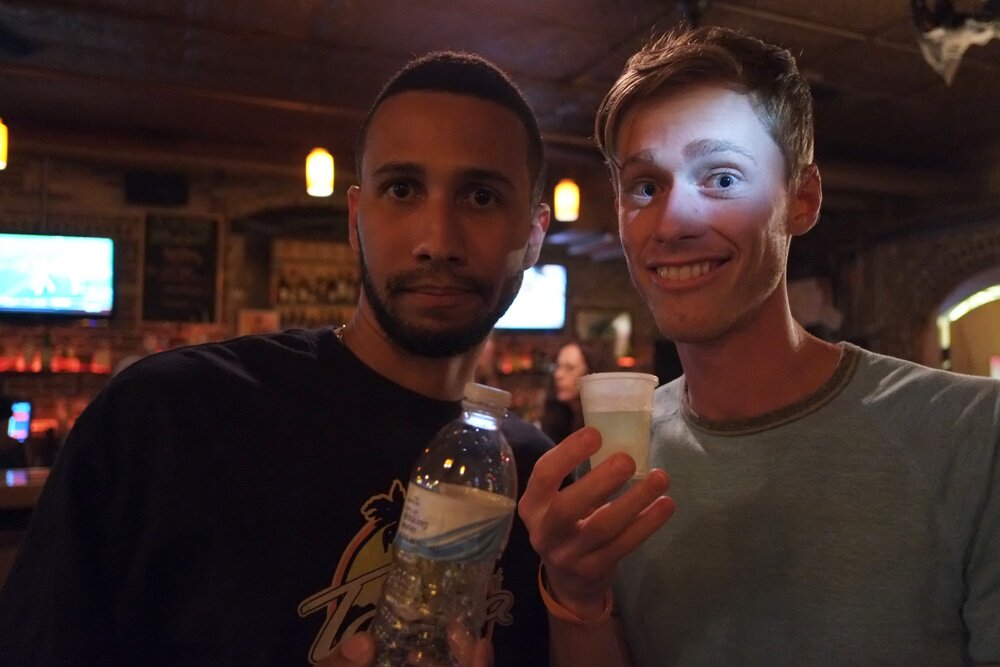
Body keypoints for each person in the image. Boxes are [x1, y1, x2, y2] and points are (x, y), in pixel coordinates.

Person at [0, 51, 553, 666]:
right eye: (402, 189)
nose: (438, 242)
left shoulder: (541, 485)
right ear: (355, 220)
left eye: (481, 196)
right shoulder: (167, 415)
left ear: (534, 234)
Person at [519, 26, 1000, 666]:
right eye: (645, 187)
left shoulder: (972, 436)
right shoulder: (611, 457)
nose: (673, 221)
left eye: (721, 178)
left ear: (802, 199)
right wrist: (575, 599)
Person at [539, 340, 614, 443]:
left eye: (570, 368)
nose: (558, 375)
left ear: (590, 373)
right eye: (558, 367)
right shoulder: (557, 418)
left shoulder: (606, 424)